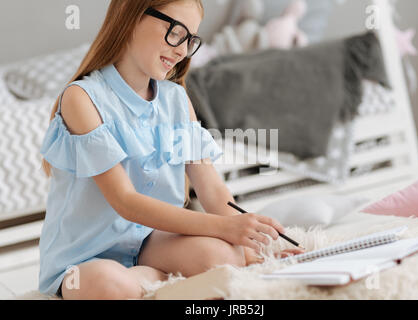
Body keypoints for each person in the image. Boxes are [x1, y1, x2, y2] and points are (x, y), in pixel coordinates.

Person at [39, 0, 304, 300]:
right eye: (176, 32)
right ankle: (165, 281)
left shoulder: (176, 100)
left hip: (149, 245)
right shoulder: (81, 98)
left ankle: (156, 281)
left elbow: (213, 191)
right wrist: (224, 227)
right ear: (132, 15)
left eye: (190, 40)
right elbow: (125, 201)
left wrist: (255, 241)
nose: (181, 50)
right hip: (84, 257)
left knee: (223, 256)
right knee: (109, 286)